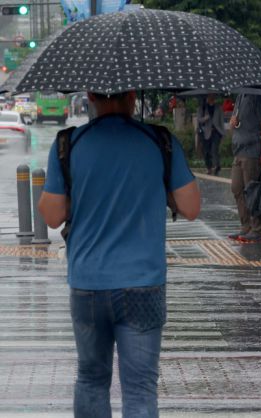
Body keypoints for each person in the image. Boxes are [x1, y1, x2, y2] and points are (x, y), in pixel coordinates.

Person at [38, 90, 201, 418]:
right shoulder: (159, 141)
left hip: (88, 283)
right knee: (140, 387)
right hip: (144, 283)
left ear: (90, 97)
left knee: (91, 379)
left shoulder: (67, 145)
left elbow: (52, 216)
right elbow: (192, 207)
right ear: (132, 95)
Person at [228, 94, 261, 243]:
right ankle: (245, 226)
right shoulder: (240, 96)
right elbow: (235, 126)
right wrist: (233, 123)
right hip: (238, 151)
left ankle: (257, 229)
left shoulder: (259, 98)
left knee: (253, 191)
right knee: (236, 188)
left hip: (253, 152)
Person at [196, 94, 225, 175]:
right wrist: (205, 118)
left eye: (212, 96)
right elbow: (199, 119)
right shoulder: (202, 107)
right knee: (206, 152)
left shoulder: (218, 108)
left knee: (214, 149)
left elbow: (221, 121)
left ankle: (217, 166)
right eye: (209, 96)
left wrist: (223, 133)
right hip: (205, 132)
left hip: (216, 132)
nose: (210, 97)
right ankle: (209, 168)